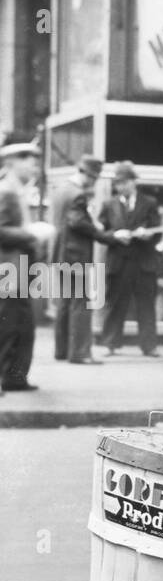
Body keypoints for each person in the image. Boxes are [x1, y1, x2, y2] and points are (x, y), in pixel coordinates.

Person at [53, 156, 128, 364]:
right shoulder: (78, 195)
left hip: (60, 254)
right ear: (84, 173)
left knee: (65, 303)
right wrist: (111, 236)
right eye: (94, 178)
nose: (94, 182)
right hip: (75, 256)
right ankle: (80, 353)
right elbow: (78, 223)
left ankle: (62, 350)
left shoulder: (61, 189)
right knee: (81, 304)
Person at [0, 141, 50, 393]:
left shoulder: (16, 190)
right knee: (9, 326)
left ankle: (15, 377)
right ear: (10, 162)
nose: (33, 165)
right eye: (27, 159)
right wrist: (31, 233)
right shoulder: (6, 190)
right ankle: (9, 377)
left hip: (19, 269)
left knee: (22, 326)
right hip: (8, 270)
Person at [98, 162, 163, 356]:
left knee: (146, 305)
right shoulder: (109, 205)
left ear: (134, 182)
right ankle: (110, 343)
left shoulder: (149, 203)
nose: (121, 187)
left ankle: (149, 346)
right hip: (119, 262)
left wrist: (147, 234)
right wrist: (115, 235)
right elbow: (100, 232)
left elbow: (158, 231)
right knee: (115, 304)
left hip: (144, 262)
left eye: (124, 182)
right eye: (117, 184)